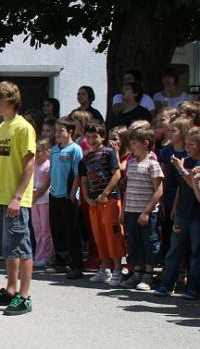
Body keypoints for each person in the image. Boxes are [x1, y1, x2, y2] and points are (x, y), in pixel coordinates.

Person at [0, 81, 36, 316]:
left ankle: (24, 296)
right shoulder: (2, 127)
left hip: (16, 199)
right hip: (1, 196)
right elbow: (2, 164)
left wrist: (17, 197)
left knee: (21, 247)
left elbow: (29, 164)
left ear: (12, 100)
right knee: (8, 248)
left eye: (0, 99)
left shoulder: (23, 128)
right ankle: (10, 289)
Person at [79, 122, 124, 286]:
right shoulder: (85, 159)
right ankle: (105, 268)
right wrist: (87, 198)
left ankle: (117, 269)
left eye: (95, 136)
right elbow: (84, 181)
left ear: (103, 137)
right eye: (88, 137)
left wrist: (105, 193)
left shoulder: (108, 153)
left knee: (113, 235)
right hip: (94, 202)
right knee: (99, 236)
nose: (91, 140)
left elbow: (117, 175)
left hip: (109, 200)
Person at [158, 126, 200, 299]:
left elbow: (194, 186)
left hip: (197, 215)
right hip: (182, 213)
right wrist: (175, 206)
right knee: (174, 250)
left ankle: (193, 288)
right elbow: (181, 188)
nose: (187, 147)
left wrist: (181, 169)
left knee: (196, 253)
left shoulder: (193, 165)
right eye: (186, 144)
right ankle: (167, 284)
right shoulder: (185, 161)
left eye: (191, 144)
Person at [120, 126, 164, 291]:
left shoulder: (153, 164)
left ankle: (148, 274)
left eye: (134, 143)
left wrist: (146, 212)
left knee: (148, 242)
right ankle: (137, 273)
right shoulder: (131, 163)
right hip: (131, 210)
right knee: (134, 242)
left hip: (146, 213)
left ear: (145, 143)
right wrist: (123, 210)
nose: (131, 147)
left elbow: (159, 191)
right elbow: (128, 188)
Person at [47, 119, 83, 279]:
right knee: (57, 229)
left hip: (68, 195)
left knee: (71, 230)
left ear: (70, 131)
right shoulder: (54, 150)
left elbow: (77, 173)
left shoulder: (75, 149)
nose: (57, 134)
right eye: (56, 130)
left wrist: (72, 193)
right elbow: (51, 171)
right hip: (54, 194)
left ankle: (76, 265)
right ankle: (61, 261)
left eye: (60, 130)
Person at [31, 139, 53, 268]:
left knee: (45, 230)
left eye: (39, 151)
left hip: (44, 200)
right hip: (34, 201)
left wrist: (36, 194)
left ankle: (45, 256)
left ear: (46, 152)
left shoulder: (48, 165)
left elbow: (45, 185)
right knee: (37, 229)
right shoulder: (33, 165)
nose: (36, 154)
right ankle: (38, 255)